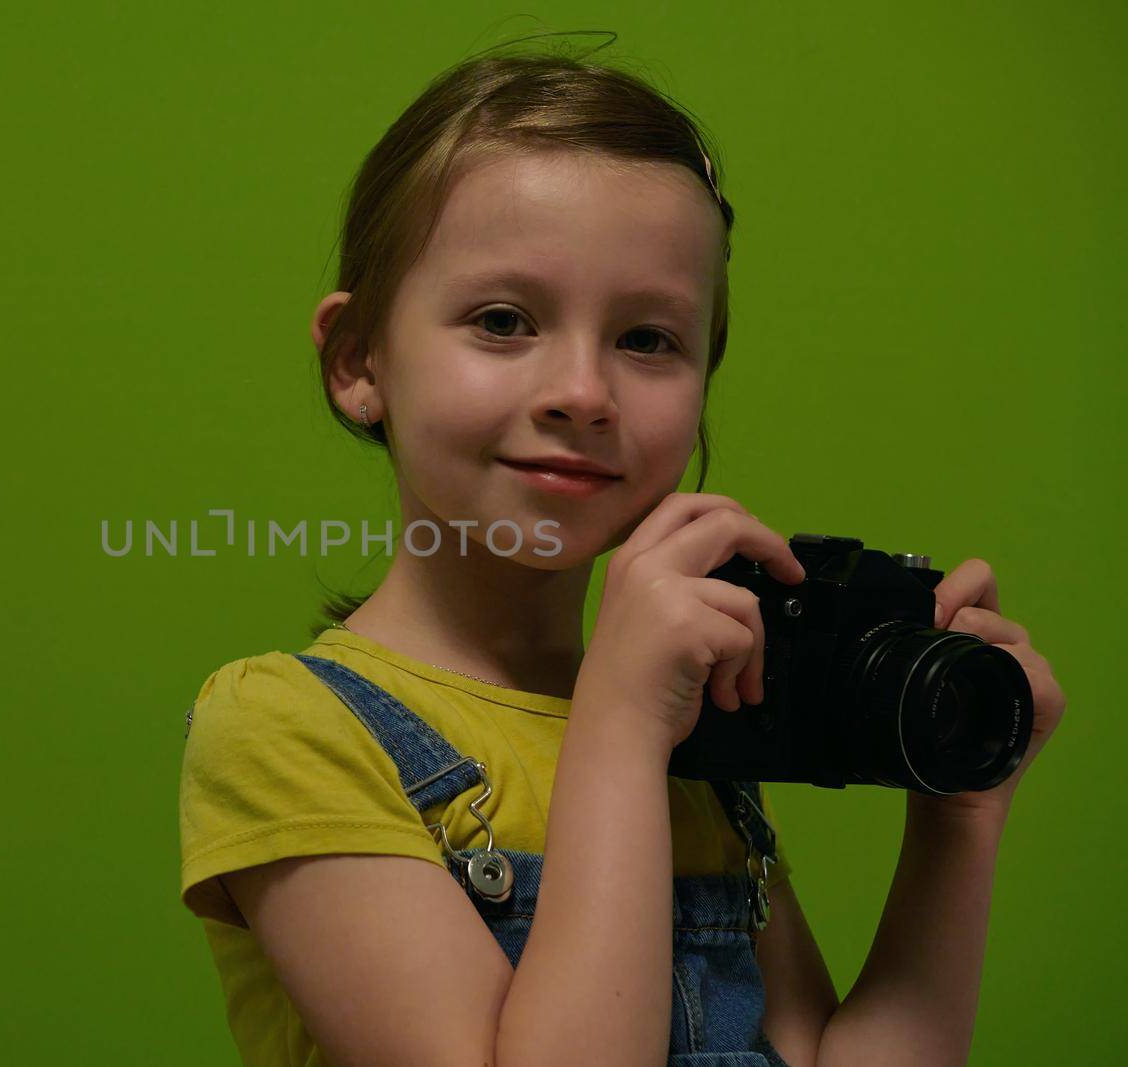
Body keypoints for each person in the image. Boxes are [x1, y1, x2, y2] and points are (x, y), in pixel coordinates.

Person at [177, 35, 1066, 1067]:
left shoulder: (687, 731)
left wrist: (960, 814)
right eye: (503, 320)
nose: (584, 394)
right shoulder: (285, 729)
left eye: (647, 339)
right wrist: (621, 721)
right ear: (357, 359)